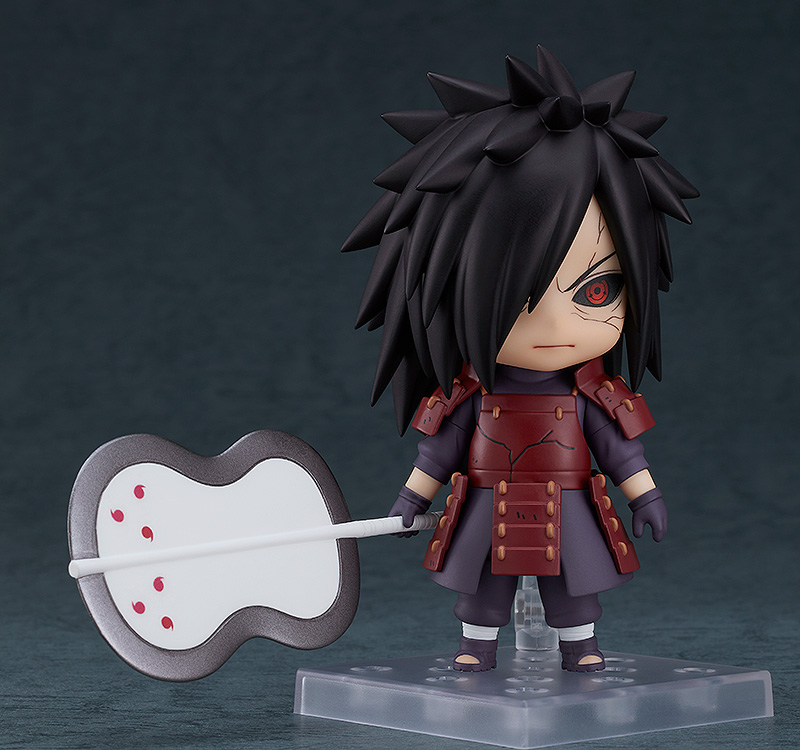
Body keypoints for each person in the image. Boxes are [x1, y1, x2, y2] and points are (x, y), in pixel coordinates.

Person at [342, 47, 697, 672]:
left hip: (570, 507)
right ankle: (477, 647)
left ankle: (580, 645)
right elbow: (438, 453)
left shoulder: (591, 396)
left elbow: (620, 450)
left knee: (573, 585)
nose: (557, 326)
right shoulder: (469, 397)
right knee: (483, 588)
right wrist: (409, 500)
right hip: (487, 504)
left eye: (597, 291)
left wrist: (645, 495)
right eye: (516, 299)